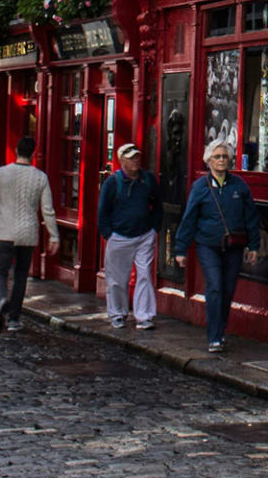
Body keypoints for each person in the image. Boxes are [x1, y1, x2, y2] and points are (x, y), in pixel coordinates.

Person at [172, 141, 258, 355]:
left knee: (227, 291)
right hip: (208, 246)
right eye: (217, 157)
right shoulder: (200, 187)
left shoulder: (239, 186)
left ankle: (220, 330)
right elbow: (189, 218)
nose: (221, 160)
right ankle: (215, 337)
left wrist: (254, 246)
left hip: (234, 246)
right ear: (208, 160)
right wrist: (180, 249)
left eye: (224, 157)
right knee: (215, 288)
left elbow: (251, 217)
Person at [0, 134, 58, 332]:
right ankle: (14, 319)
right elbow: (48, 210)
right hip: (28, 235)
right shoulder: (40, 177)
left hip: (5, 233)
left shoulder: (2, 173)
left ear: (16, 151)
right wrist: (54, 235)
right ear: (33, 154)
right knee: (21, 276)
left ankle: (2, 298)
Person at [98, 143, 161, 331]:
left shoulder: (148, 180)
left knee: (144, 276)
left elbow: (157, 205)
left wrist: (154, 229)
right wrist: (109, 234)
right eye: (131, 157)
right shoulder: (112, 182)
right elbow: (102, 212)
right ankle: (118, 314)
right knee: (117, 279)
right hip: (119, 236)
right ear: (121, 160)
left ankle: (144, 316)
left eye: (137, 157)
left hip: (144, 236)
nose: (135, 160)